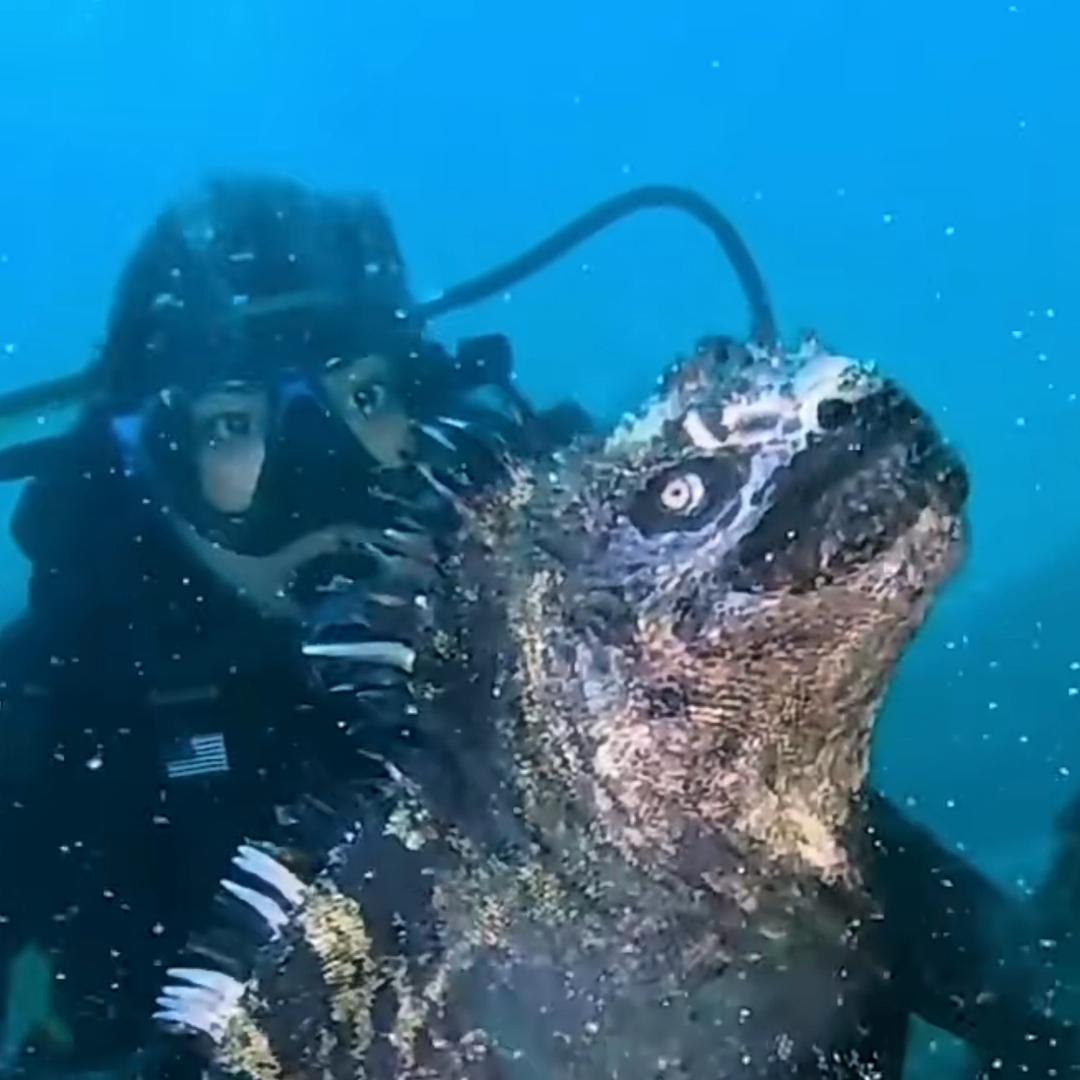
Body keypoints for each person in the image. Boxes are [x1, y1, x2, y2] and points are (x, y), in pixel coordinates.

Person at [0, 173, 1071, 1079]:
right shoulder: (38, 721)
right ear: (134, 462)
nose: (314, 471)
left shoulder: (626, 701)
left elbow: (1035, 1005)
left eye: (363, 396)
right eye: (232, 424)